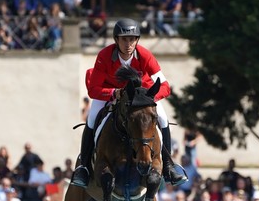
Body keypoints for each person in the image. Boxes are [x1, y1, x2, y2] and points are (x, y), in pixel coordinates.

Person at [70, 18, 187, 188]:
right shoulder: (104, 55)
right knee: (92, 117)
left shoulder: (145, 55)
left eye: (132, 39)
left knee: (162, 118)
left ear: (137, 40)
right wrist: (113, 93)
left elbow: (165, 86)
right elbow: (93, 89)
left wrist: (149, 98)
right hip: (112, 93)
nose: (128, 44)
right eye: (124, 39)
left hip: (142, 95)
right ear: (116, 40)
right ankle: (84, 167)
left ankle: (168, 165)